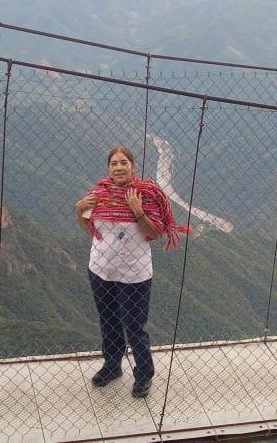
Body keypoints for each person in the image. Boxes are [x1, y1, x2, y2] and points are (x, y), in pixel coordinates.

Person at [75, 146, 188, 398]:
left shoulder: (146, 195)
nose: (118, 167)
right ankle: (113, 365)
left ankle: (144, 374)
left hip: (134, 273)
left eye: (123, 162)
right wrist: (79, 208)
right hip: (101, 269)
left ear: (132, 166)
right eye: (114, 163)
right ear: (108, 168)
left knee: (135, 326)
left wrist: (137, 210)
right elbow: (89, 228)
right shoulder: (99, 192)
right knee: (109, 320)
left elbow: (156, 233)